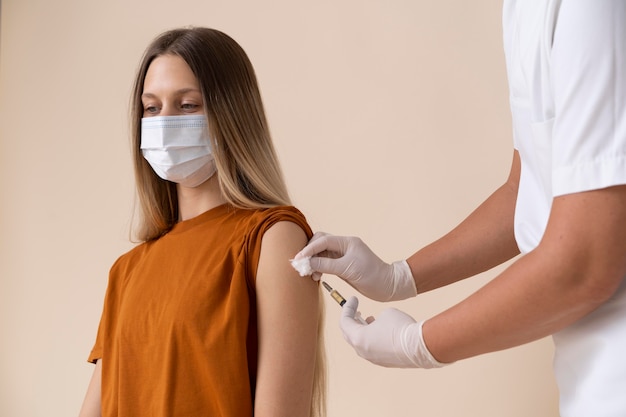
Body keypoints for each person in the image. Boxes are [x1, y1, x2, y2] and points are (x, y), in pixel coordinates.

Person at [295, 2, 626, 416]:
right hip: (586, 383)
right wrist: (399, 277)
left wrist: (419, 344)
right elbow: (526, 189)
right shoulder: (523, 10)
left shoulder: (592, 9)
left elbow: (585, 262)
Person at [79, 27, 326, 417]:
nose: (165, 121)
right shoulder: (126, 272)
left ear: (232, 113)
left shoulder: (272, 238)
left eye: (188, 105)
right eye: (152, 108)